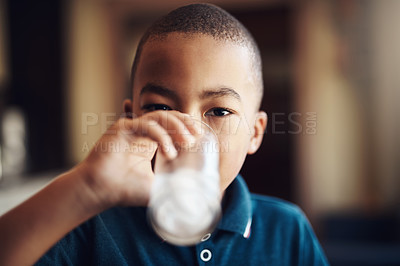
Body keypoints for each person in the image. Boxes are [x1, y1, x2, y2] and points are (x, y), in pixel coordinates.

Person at [0, 3, 329, 265]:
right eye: (161, 108)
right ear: (132, 119)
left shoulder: (286, 230)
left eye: (218, 111)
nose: (186, 135)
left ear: (255, 133)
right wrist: (85, 187)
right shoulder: (90, 227)